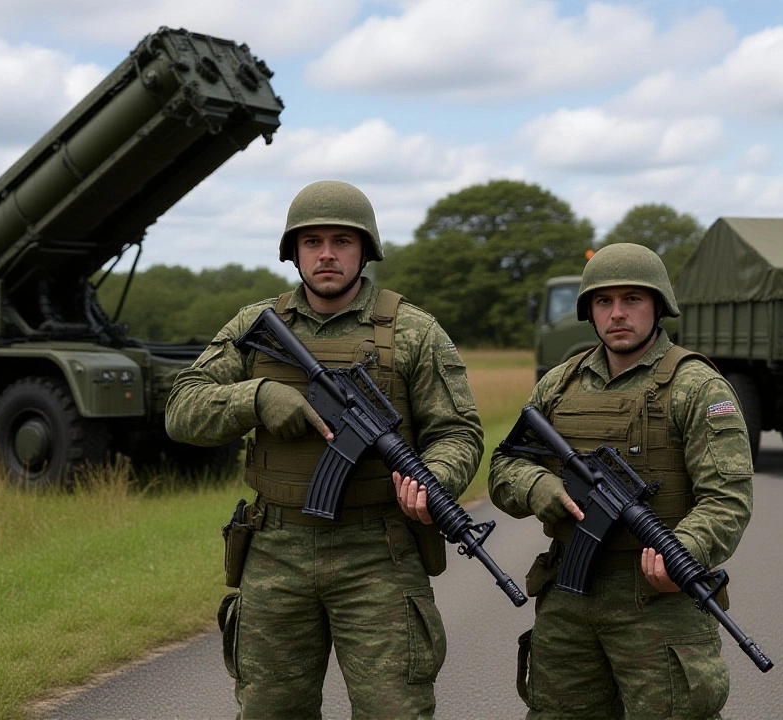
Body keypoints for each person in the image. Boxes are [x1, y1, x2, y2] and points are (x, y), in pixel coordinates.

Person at [165, 180, 484, 719]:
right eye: (312, 242)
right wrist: (256, 397)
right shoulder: (255, 325)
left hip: (379, 551)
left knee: (395, 711)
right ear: (294, 252)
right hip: (275, 548)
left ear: (365, 250)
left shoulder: (412, 331)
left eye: (342, 241)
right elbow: (181, 409)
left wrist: (434, 479)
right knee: (270, 710)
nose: (327, 254)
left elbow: (459, 431)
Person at [489, 243, 753, 720]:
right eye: (604, 301)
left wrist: (685, 551)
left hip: (659, 601)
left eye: (632, 299)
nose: (617, 313)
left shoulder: (697, 386)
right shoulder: (559, 384)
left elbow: (727, 499)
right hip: (568, 598)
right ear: (589, 311)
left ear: (658, 306)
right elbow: (505, 465)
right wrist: (538, 488)